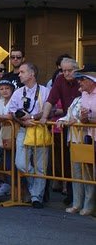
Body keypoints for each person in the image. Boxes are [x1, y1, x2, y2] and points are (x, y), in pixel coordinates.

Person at [7, 62, 50, 209]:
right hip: (24, 130)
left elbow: (51, 109)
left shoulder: (45, 91)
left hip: (40, 130)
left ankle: (36, 197)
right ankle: (34, 190)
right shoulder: (18, 92)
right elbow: (12, 112)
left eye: (22, 72)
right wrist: (22, 120)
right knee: (21, 163)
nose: (19, 74)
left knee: (41, 166)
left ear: (32, 74)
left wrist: (32, 117)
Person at [55, 64, 96, 216]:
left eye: (82, 79)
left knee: (88, 174)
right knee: (77, 174)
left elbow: (81, 118)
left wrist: (80, 119)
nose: (79, 83)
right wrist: (63, 119)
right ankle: (78, 203)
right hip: (79, 139)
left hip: (87, 139)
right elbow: (72, 115)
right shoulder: (80, 98)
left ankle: (89, 205)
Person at [39, 57, 80, 201]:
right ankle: (69, 194)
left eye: (70, 70)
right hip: (66, 123)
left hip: (80, 124)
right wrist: (44, 117)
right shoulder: (60, 80)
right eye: (64, 71)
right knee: (65, 160)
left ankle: (77, 196)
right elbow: (50, 100)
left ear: (77, 69)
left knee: (78, 161)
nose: (67, 73)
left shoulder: (81, 80)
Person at [0, 78, 15, 197]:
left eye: (7, 88)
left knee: (15, 161)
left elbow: (10, 116)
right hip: (4, 131)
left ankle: (18, 188)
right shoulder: (0, 100)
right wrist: (0, 116)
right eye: (1, 89)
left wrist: (0, 116)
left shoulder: (15, 99)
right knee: (7, 161)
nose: (4, 91)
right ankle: (10, 185)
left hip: (14, 131)